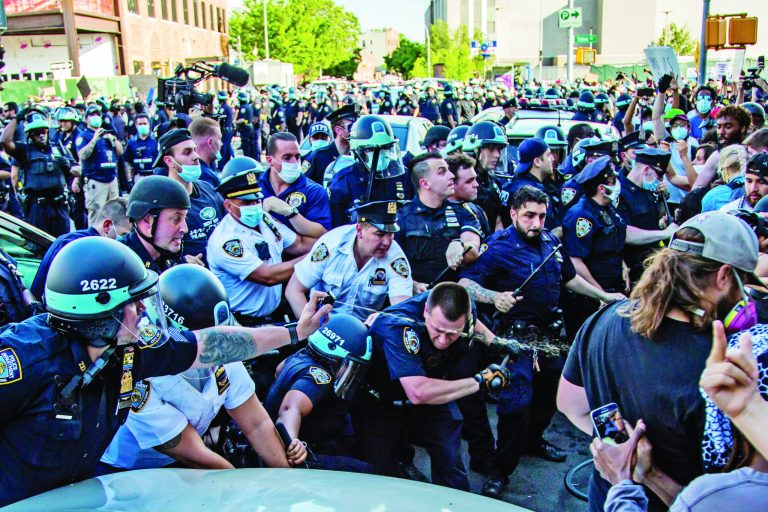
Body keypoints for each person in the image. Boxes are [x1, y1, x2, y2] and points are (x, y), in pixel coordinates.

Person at [0, 235, 331, 507]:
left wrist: (294, 332)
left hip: (81, 495)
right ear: (100, 312)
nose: (143, 311)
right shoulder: (24, 362)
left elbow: (210, 344)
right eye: (133, 302)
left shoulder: (130, 349)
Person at [557, 211, 763, 512]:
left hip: (606, 497)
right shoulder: (722, 370)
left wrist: (617, 450)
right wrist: (648, 474)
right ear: (723, 276)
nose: (746, 297)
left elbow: (569, 405)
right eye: (743, 283)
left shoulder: (603, 319)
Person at [459, 186, 625, 497]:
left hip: (548, 336)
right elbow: (466, 283)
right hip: (513, 337)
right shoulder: (498, 246)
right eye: (529, 216)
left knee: (551, 394)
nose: (536, 223)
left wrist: (602, 294)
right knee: (515, 407)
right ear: (513, 214)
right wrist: (494, 298)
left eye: (542, 216)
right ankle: (500, 470)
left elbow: (569, 278)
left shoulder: (550, 242)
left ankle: (533, 441)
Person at [99, 264, 306, 472]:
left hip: (190, 460)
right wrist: (245, 490)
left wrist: (285, 476)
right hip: (125, 470)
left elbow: (256, 424)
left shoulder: (220, 351)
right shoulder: (136, 371)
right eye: (206, 339)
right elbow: (194, 454)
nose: (213, 347)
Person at [351, 282, 516, 491]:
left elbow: (472, 320)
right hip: (381, 400)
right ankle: (402, 468)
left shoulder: (463, 306)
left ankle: (454, 502)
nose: (443, 340)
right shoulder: (396, 326)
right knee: (380, 475)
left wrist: (494, 341)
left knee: (449, 458)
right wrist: (480, 381)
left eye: (453, 333)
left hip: (433, 390)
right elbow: (418, 392)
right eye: (437, 330)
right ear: (426, 311)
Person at [264, 313, 377, 473]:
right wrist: (293, 445)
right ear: (334, 355)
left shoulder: (299, 356)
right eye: (350, 366)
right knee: (370, 472)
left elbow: (278, 371)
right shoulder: (319, 377)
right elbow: (290, 409)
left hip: (275, 438)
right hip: (299, 452)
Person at [207, 157, 312, 326]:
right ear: (228, 206)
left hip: (276, 313)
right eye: (247, 202)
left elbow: (299, 245)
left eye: (257, 200)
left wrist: (327, 245)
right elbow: (267, 276)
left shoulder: (264, 219)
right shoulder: (226, 241)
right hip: (247, 323)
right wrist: (314, 258)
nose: (255, 206)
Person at [285, 200, 412, 322]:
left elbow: (402, 309)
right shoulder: (332, 244)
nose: (387, 242)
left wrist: (385, 318)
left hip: (364, 331)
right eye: (379, 234)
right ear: (359, 231)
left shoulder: (395, 259)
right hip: (322, 324)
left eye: (391, 234)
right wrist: (309, 326)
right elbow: (294, 290)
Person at [397, 152, 481, 292]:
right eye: (442, 172)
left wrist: (460, 245)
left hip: (454, 296)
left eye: (449, 170)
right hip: (416, 297)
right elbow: (388, 261)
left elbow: (474, 249)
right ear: (424, 183)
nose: (452, 176)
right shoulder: (402, 217)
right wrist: (410, 284)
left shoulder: (462, 212)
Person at [31, 198, 131, 299]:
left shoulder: (73, 241)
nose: (124, 241)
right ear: (107, 226)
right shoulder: (82, 248)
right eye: (123, 234)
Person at [153, 128, 225, 266]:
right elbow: (154, 250)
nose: (195, 156)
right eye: (187, 152)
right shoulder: (159, 201)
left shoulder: (208, 188)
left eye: (195, 150)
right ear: (169, 161)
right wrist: (179, 261)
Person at [0, 109, 77, 237]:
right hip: (37, 208)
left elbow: (78, 170)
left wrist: (68, 166)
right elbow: (4, 141)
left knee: (61, 243)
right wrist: (16, 119)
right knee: (38, 245)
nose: (41, 135)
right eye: (36, 132)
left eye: (44, 131)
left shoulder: (59, 149)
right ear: (30, 135)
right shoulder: (24, 151)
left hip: (59, 206)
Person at [327, 115, 414, 227]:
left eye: (386, 148)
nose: (383, 154)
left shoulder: (402, 176)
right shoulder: (343, 182)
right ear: (360, 152)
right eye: (373, 150)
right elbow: (335, 229)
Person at [617, 148, 677, 282]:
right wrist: (664, 233)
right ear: (646, 170)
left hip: (652, 262)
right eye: (659, 175)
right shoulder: (620, 194)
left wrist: (662, 198)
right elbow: (625, 233)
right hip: (633, 266)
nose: (660, 180)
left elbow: (654, 218)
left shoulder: (648, 189)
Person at [259, 132, 331, 239]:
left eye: (297, 157)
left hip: (299, 254)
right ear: (270, 160)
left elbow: (323, 232)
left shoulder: (314, 191)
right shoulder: (255, 186)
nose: (294, 162)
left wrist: (290, 212)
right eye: (287, 157)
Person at [120, 175, 189, 273]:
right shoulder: (121, 265)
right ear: (147, 221)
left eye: (185, 218)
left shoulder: (170, 256)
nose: (185, 229)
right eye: (176, 219)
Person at [502, 137, 562, 236]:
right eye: (548, 155)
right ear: (537, 161)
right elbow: (550, 232)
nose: (552, 158)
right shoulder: (536, 192)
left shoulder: (509, 185)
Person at [77, 105, 123, 227]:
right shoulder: (84, 135)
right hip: (96, 181)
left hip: (111, 179)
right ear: (86, 119)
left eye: (98, 115)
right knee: (97, 215)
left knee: (114, 213)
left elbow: (120, 152)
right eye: (92, 115)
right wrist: (94, 139)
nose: (95, 117)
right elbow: (83, 154)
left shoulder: (106, 133)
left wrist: (113, 140)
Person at [461, 121, 509, 230]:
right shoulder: (460, 181)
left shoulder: (494, 182)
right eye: (491, 149)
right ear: (475, 149)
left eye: (499, 149)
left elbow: (498, 221)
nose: (497, 155)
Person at [301, 105, 358, 185]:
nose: (357, 130)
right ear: (338, 130)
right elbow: (302, 186)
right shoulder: (318, 157)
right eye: (352, 127)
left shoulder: (358, 157)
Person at [446, 152, 492, 238]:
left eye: (475, 179)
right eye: (469, 181)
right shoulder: (436, 211)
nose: (476, 185)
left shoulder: (477, 211)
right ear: (451, 183)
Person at [123, 114, 159, 184]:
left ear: (149, 124)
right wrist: (129, 179)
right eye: (140, 124)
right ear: (136, 125)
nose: (142, 126)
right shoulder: (131, 142)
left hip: (154, 176)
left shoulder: (156, 140)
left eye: (145, 123)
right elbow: (127, 162)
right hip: (139, 176)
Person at [188, 117, 223, 188]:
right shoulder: (206, 178)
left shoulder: (186, 171)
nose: (221, 143)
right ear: (210, 143)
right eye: (219, 139)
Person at [216, 91, 235, 167]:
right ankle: (227, 163)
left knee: (223, 148)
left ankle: (221, 165)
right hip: (229, 130)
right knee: (227, 148)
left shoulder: (223, 108)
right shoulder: (228, 107)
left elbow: (220, 119)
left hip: (225, 130)